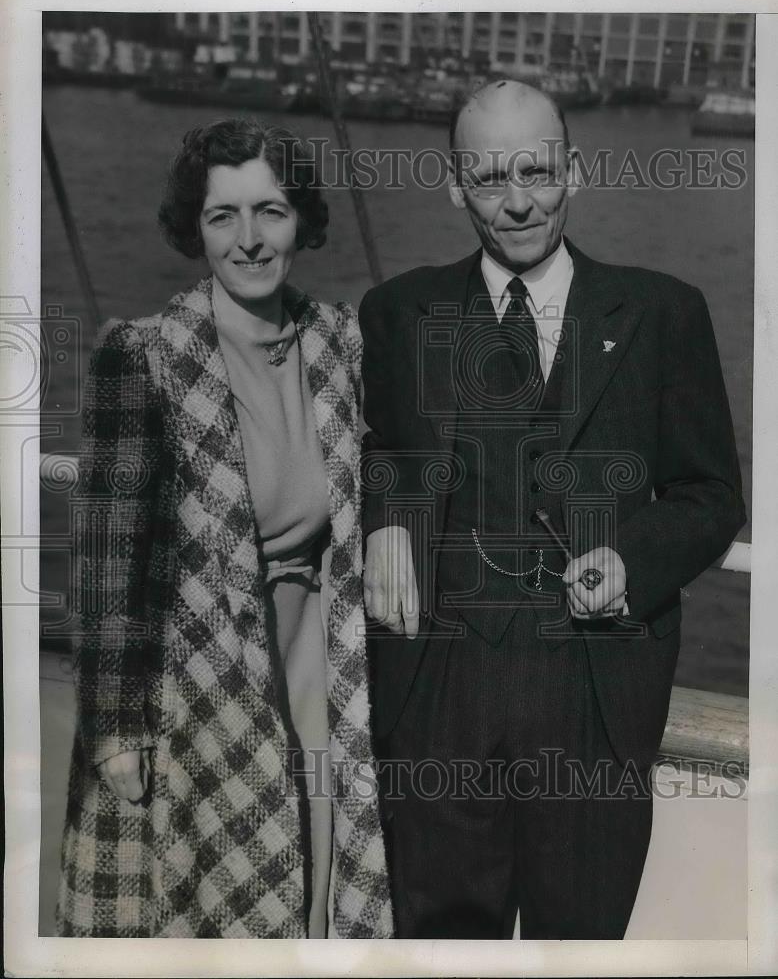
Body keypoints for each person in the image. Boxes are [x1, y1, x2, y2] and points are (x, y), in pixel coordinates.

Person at [359, 80, 746, 939]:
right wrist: (386, 514)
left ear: (573, 169)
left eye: (538, 170)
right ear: (457, 185)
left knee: (581, 952)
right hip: (440, 700)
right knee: (443, 954)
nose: (521, 200)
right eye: (492, 179)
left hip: (594, 700)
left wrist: (632, 561)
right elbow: (369, 450)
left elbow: (712, 496)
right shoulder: (396, 313)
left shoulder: (662, 313)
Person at [56, 118, 393, 939]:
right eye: (223, 216)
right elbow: (106, 566)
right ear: (194, 228)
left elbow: (403, 460)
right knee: (207, 906)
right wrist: (115, 733)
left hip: (319, 661)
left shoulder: (342, 341)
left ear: (302, 223)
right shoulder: (141, 356)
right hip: (195, 682)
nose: (249, 240)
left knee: (313, 881)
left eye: (270, 212)